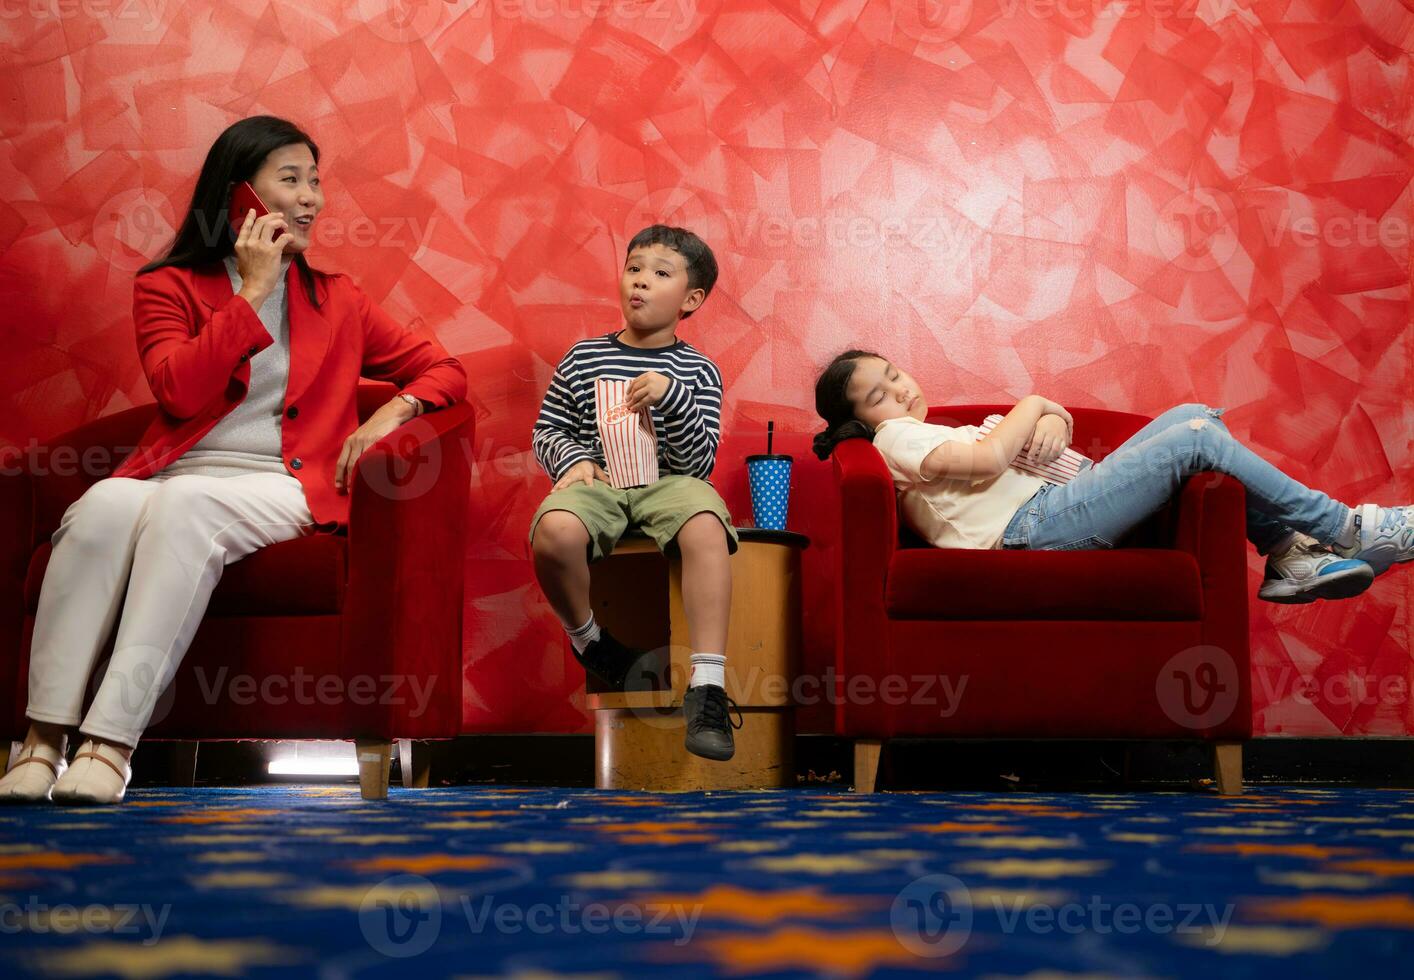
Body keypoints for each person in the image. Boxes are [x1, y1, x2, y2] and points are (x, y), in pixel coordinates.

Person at [0, 116, 466, 805]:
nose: (312, 198)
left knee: (186, 510)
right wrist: (250, 293)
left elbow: (445, 369)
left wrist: (390, 414)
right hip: (175, 475)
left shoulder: (339, 301)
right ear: (240, 195)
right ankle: (42, 742)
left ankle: (110, 746)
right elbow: (179, 391)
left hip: (280, 485)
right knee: (99, 504)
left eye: (316, 180)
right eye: (291, 179)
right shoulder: (167, 286)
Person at [812, 349, 1411, 603]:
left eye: (892, 374)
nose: (897, 390)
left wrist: (1055, 417)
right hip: (1034, 528)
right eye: (876, 396)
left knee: (1192, 416)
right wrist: (1038, 400)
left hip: (1059, 500)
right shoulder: (894, 438)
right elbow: (992, 460)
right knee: (1197, 437)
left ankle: (1287, 556)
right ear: (859, 421)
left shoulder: (929, 429)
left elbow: (1018, 445)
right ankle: (1348, 527)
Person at [529, 225, 741, 761]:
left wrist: (673, 399)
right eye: (634, 268)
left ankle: (708, 685)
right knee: (553, 531)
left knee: (705, 522)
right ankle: (590, 642)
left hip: (669, 484)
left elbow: (698, 465)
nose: (641, 281)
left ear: (690, 300)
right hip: (598, 481)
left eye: (661, 273)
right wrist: (573, 459)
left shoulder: (698, 369)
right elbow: (546, 431)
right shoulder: (583, 357)